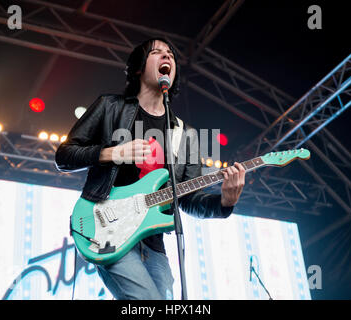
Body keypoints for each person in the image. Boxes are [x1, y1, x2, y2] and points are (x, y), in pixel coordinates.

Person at [55, 38, 246, 300]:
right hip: (108, 228)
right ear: (137, 69)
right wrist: (113, 152)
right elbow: (64, 155)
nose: (166, 57)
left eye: (171, 54)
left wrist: (224, 201)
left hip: (154, 242)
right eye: (156, 52)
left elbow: (188, 198)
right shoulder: (110, 106)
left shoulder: (186, 134)